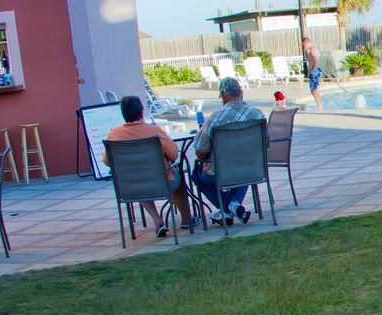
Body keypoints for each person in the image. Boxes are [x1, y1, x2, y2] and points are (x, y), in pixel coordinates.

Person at [105, 95, 196, 237]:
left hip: (130, 186)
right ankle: (186, 219)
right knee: (175, 174)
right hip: (161, 183)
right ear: (142, 112)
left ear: (123, 114)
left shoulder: (114, 135)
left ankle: (157, 219)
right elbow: (173, 155)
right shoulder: (154, 131)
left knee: (136, 177)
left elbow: (106, 161)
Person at [191, 76, 267, 225]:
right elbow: (266, 144)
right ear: (241, 93)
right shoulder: (258, 115)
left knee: (197, 175)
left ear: (223, 95)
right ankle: (232, 208)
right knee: (243, 170)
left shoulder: (216, 118)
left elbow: (200, 152)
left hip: (222, 173)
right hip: (250, 170)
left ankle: (228, 209)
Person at [300, 35, 325, 111]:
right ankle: (320, 107)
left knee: (314, 90)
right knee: (314, 90)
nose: (304, 47)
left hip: (315, 72)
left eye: (304, 45)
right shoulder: (311, 50)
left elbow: (316, 59)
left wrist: (312, 70)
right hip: (315, 72)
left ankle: (320, 108)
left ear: (306, 42)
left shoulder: (312, 49)